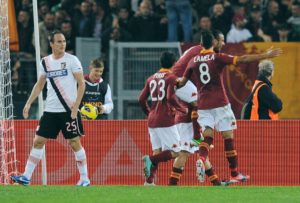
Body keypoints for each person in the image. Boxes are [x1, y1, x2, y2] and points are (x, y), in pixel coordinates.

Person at [177, 30, 282, 184]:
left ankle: (202, 157)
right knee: (228, 137)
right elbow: (244, 59)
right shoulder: (218, 57)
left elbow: (182, 83)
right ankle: (234, 173)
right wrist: (265, 55)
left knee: (207, 135)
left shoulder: (193, 61)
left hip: (203, 105)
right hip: (220, 103)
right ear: (212, 43)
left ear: (200, 44)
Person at [11, 30, 90, 186]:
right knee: (38, 141)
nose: (62, 44)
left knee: (74, 143)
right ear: (51, 44)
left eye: (64, 41)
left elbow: (82, 84)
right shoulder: (45, 62)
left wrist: (75, 108)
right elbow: (40, 84)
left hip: (68, 110)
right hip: (50, 110)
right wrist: (28, 103)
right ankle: (26, 177)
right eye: (59, 41)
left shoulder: (72, 60)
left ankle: (84, 178)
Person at [139, 51, 188, 186]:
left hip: (152, 120)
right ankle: (150, 159)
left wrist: (149, 112)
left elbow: (141, 99)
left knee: (158, 150)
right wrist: (182, 109)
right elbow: (170, 98)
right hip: (165, 120)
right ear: (174, 63)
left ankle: (149, 182)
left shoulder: (151, 78)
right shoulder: (171, 77)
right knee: (176, 151)